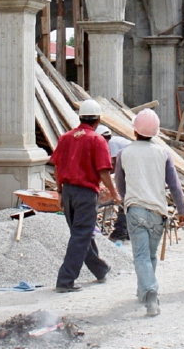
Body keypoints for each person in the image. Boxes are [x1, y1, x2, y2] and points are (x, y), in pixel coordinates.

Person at [114, 109, 184, 317]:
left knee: (141, 256)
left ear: (135, 130)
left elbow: (120, 184)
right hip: (158, 213)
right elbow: (174, 186)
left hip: (135, 210)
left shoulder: (124, 153)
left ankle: (150, 293)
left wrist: (127, 200)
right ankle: (143, 291)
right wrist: (181, 211)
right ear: (155, 131)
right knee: (150, 255)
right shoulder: (162, 153)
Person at [50, 99, 119, 292]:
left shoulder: (65, 138)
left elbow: (57, 167)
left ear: (80, 117)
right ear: (97, 120)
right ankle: (65, 280)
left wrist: (60, 192)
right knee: (81, 236)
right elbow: (104, 172)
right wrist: (114, 193)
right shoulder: (97, 140)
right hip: (86, 194)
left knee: (82, 234)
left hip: (68, 191)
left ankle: (100, 269)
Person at [96, 123, 132, 240]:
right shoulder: (108, 144)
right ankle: (125, 230)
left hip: (131, 169)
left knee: (125, 198)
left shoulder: (112, 144)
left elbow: (113, 165)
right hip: (128, 169)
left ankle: (121, 229)